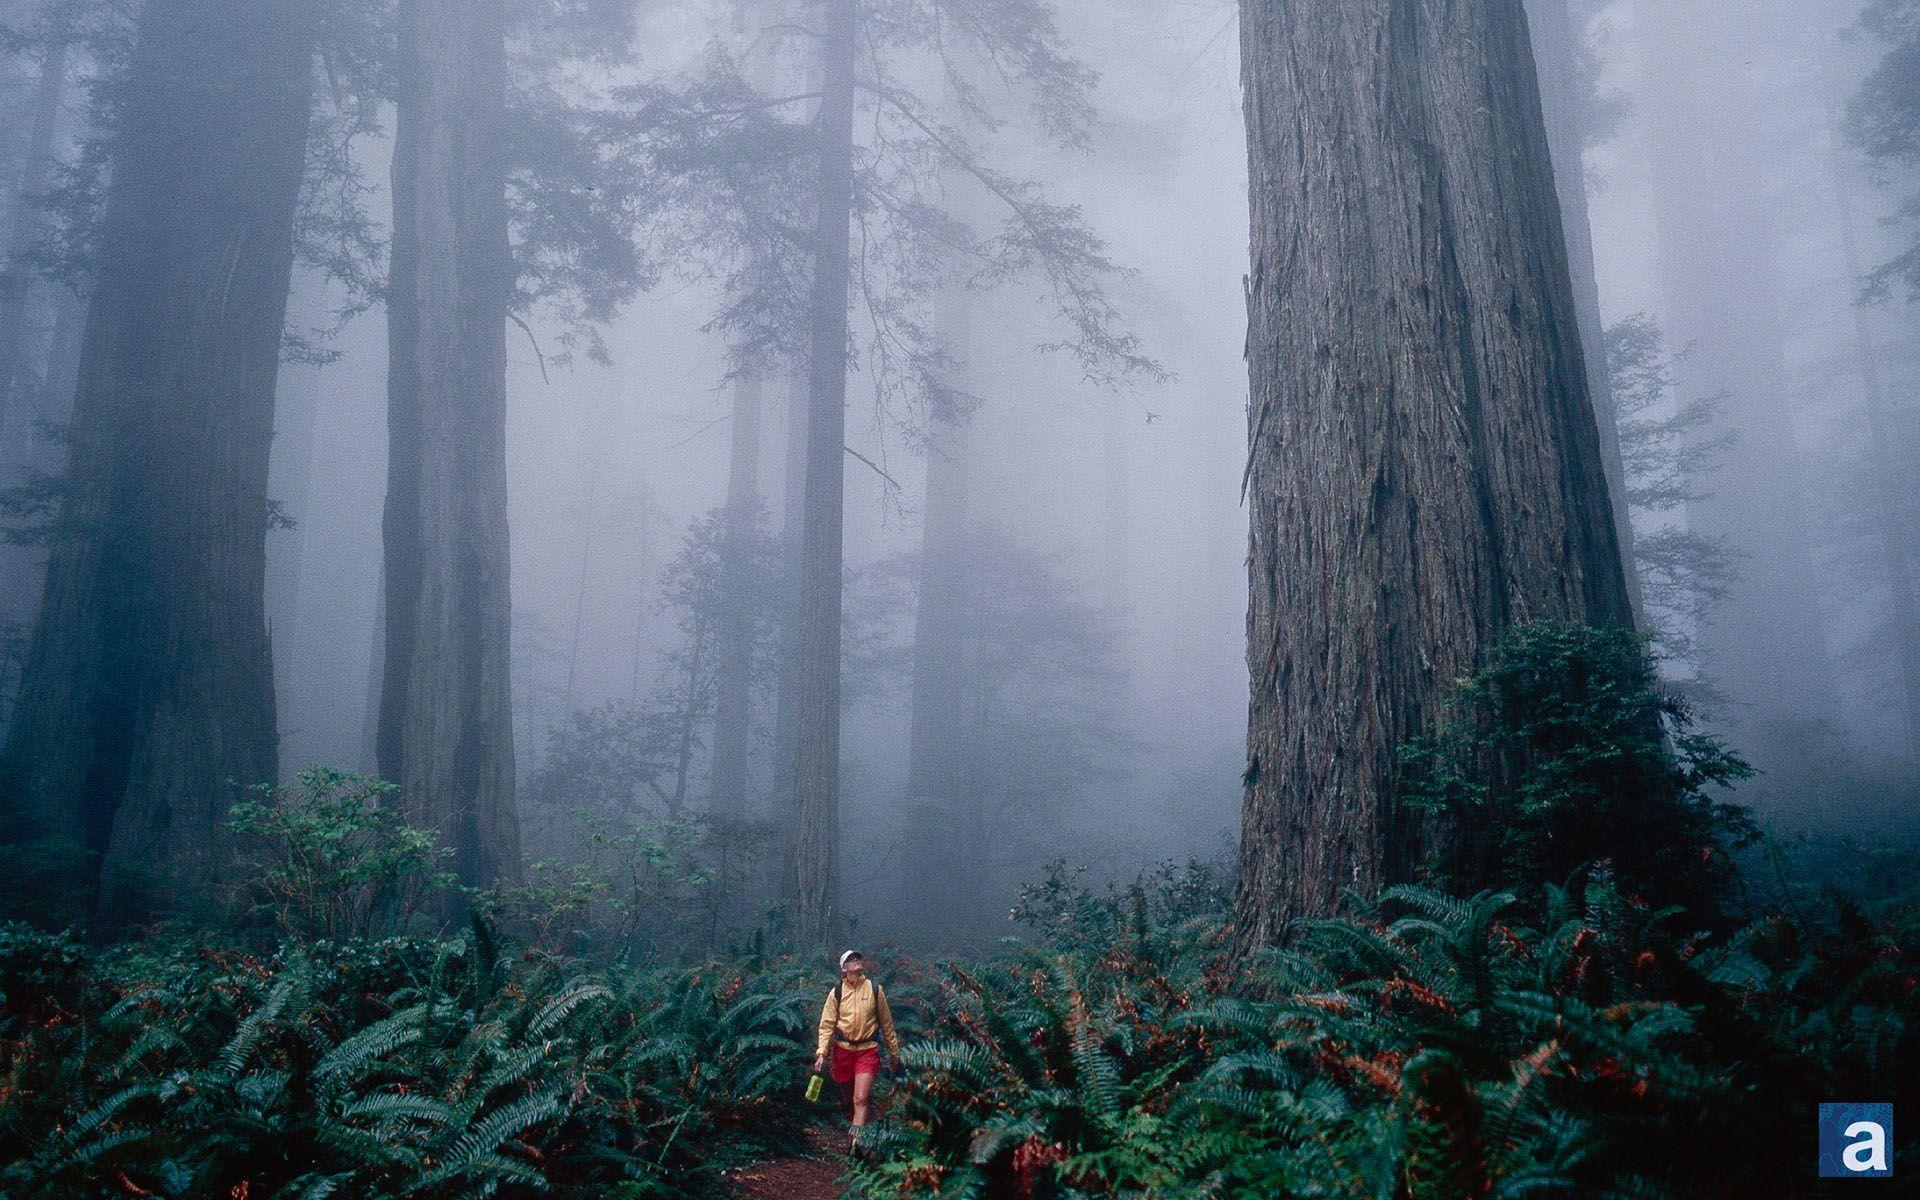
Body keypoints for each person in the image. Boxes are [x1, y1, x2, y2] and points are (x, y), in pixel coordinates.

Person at [812, 949, 901, 1153]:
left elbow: (887, 1023)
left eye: (858, 958)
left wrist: (895, 1051)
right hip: (843, 1051)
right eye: (851, 959)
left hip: (867, 1050)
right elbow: (827, 1024)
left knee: (860, 1098)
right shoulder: (837, 992)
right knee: (850, 1098)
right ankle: (862, 1125)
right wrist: (821, 1053)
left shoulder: (874, 989)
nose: (856, 961)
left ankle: (856, 1145)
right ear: (844, 969)